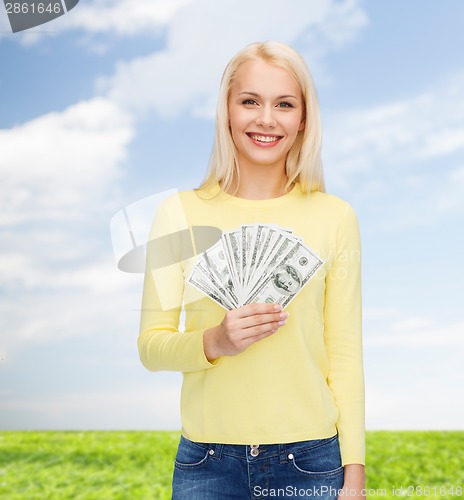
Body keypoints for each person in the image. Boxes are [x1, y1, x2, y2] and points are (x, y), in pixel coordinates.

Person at [139, 41, 366, 499]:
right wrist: (214, 342)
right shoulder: (176, 214)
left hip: (311, 462)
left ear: (303, 118)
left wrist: (354, 475)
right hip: (207, 463)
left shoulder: (335, 217)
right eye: (250, 101)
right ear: (226, 111)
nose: (266, 119)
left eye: (284, 104)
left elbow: (344, 354)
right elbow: (150, 347)